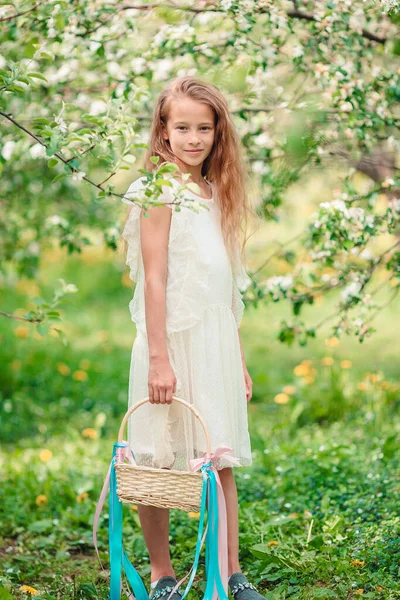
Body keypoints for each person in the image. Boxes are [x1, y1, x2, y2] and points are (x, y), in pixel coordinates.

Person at [121, 75, 265, 600]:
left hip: (215, 343)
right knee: (157, 457)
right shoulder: (159, 189)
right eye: (182, 127)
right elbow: (155, 278)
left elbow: (225, 287)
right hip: (170, 342)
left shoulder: (213, 191)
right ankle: (162, 573)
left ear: (218, 133)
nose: (194, 138)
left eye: (205, 128)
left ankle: (231, 573)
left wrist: (239, 359)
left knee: (218, 457)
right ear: (163, 131)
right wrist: (159, 358)